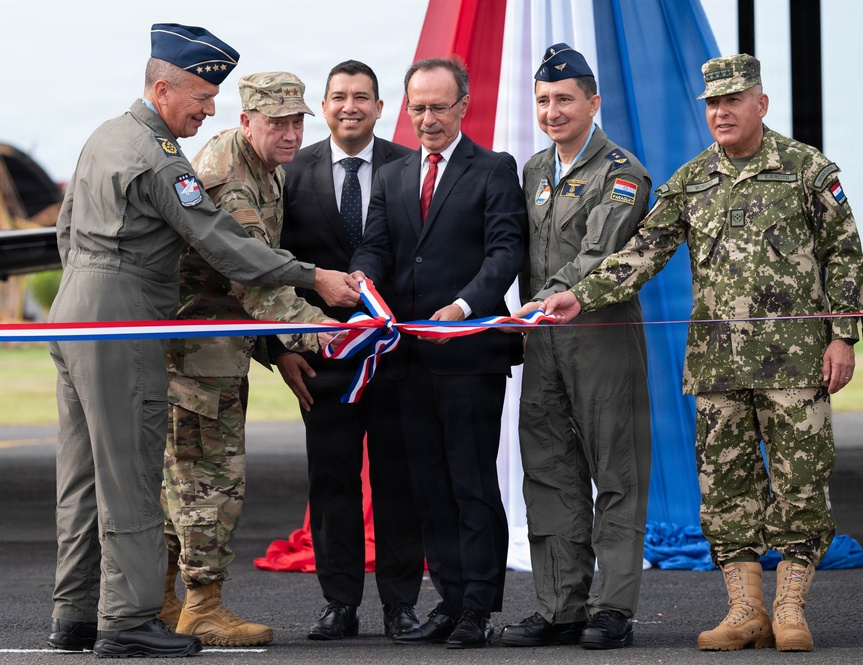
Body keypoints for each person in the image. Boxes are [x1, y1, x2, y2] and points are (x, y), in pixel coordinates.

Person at [46, 25, 358, 659]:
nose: (210, 107)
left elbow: (65, 227)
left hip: (74, 309)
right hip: (124, 317)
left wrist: (87, 286)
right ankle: (129, 620)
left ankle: (74, 616)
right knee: (133, 474)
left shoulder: (103, 137)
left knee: (81, 476)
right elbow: (222, 244)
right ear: (163, 88)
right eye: (201, 95)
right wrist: (312, 278)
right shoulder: (161, 155)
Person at [542, 54, 862, 653]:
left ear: (759, 105)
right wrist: (578, 297)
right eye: (712, 103)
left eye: (732, 100)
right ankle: (746, 610)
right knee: (726, 489)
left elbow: (845, 252)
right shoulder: (691, 181)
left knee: (800, 483)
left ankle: (790, 607)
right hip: (717, 367)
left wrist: (842, 334)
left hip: (796, 364)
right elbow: (643, 252)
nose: (721, 112)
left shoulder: (807, 170)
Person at [348, 56, 527, 649]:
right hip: (408, 360)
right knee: (430, 485)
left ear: (462, 107)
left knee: (473, 483)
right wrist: (364, 287)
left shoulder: (494, 169)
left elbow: (505, 254)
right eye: (417, 107)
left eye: (437, 107)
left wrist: (464, 306)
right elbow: (375, 246)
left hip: (469, 356)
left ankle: (479, 606)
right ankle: (449, 601)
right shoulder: (395, 175)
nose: (426, 118)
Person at [159, 71, 335, 648]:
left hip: (222, 347)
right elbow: (256, 282)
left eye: (296, 122)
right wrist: (325, 333)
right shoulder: (228, 181)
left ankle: (159, 600)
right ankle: (201, 607)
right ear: (246, 121)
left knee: (181, 484)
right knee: (211, 482)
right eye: (276, 123)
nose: (289, 134)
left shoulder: (265, 168)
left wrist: (278, 349)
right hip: (200, 358)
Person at [499, 44, 653, 651]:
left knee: (615, 473)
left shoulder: (621, 172)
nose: (552, 111)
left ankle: (611, 609)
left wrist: (550, 298)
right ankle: (560, 605)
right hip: (543, 343)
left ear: (593, 102)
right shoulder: (535, 169)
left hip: (600, 339)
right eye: (543, 100)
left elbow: (600, 253)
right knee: (549, 471)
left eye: (565, 99)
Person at [272, 59, 425, 641]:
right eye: (338, 96)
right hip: (322, 362)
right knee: (331, 483)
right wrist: (280, 349)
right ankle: (339, 603)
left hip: (397, 357)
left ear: (381, 107)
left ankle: (401, 605)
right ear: (324, 106)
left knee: (397, 481)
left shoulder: (408, 167)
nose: (349, 106)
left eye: (362, 96)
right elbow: (268, 270)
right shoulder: (292, 172)